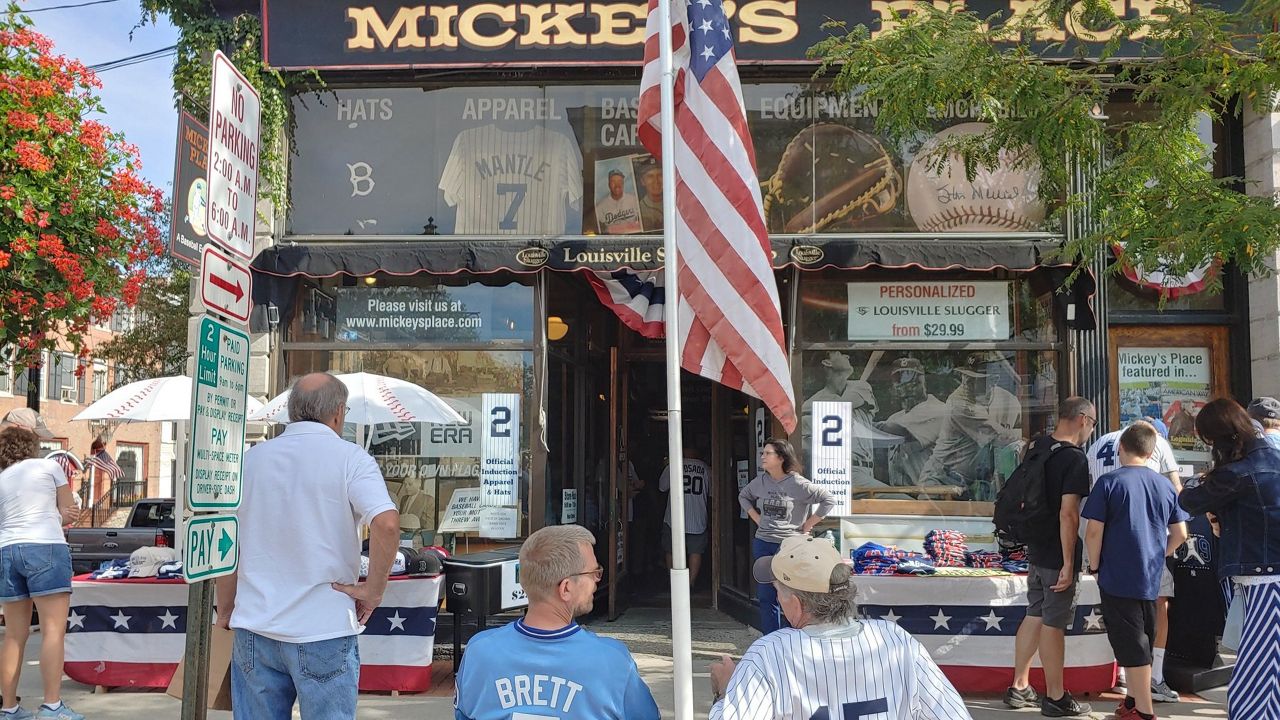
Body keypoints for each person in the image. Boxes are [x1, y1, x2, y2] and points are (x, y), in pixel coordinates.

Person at [215, 373, 400, 720]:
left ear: (291, 412)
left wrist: (225, 608)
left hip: (256, 625)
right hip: (323, 624)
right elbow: (386, 524)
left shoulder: (249, 462)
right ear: (339, 413)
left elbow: (229, 543)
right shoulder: (351, 459)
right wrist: (374, 591)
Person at [707, 535, 969, 719]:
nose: (777, 598)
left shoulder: (768, 653)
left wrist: (726, 692)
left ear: (796, 604)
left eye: (779, 591)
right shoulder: (895, 639)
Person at [453, 525, 660, 719]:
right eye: (593, 573)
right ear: (566, 588)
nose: (597, 579)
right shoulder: (612, 661)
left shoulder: (479, 652)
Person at [1179, 398, 1280, 718]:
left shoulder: (1237, 473)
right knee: (1265, 663)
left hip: (1262, 573)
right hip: (1265, 569)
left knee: (1256, 667)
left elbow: (1189, 498)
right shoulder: (1271, 459)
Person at [1082, 422, 1190, 720]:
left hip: (1116, 574)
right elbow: (1180, 533)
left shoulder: (1109, 483)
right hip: (1152, 574)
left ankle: (1143, 711)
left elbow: (1093, 532)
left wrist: (1094, 566)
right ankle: (1132, 701)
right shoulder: (1165, 485)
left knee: (1130, 643)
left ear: (1120, 449)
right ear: (1152, 451)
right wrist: (1160, 553)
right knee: (1144, 634)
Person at [1005, 396, 1096, 717]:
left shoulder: (1036, 447)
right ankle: (1056, 696)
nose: (1091, 430)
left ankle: (1019, 686)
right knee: (1053, 624)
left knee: (1036, 612)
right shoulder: (1074, 459)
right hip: (1057, 553)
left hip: (1035, 548)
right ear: (1083, 419)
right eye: (1093, 423)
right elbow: (1069, 514)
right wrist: (1069, 563)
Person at [0, 425, 82, 720]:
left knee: (13, 635)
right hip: (45, 545)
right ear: (32, 446)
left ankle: (9, 707)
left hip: (7, 550)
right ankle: (51, 706)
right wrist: (61, 514)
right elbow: (69, 510)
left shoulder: (2, 478)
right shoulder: (49, 466)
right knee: (52, 631)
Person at [739, 439, 837, 634]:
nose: (763, 457)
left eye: (768, 453)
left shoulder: (798, 483)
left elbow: (829, 500)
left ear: (781, 458)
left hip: (789, 546)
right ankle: (771, 639)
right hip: (764, 542)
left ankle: (794, 636)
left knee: (792, 593)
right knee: (767, 595)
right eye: (763, 453)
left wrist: (808, 524)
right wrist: (757, 518)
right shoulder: (761, 481)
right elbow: (744, 496)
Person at [920, 352, 1021, 500]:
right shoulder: (959, 403)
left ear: (994, 380)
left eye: (975, 379)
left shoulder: (1009, 401)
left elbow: (1016, 440)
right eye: (965, 375)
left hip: (977, 486)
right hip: (941, 479)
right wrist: (1024, 436)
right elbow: (1001, 438)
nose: (967, 382)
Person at [799, 351, 889, 495]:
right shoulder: (811, 403)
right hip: (839, 470)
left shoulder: (861, 387)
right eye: (839, 353)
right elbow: (803, 440)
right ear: (827, 363)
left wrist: (816, 409)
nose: (847, 356)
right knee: (907, 504)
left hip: (867, 471)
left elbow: (842, 404)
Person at [878, 357, 946, 488]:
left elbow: (899, 432)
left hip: (932, 496)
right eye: (899, 380)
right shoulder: (894, 418)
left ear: (922, 382)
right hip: (902, 494)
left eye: (911, 379)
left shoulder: (938, 410)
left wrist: (859, 422)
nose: (905, 385)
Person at [659, 445, 710, 587]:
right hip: (697, 517)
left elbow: (661, 486)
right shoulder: (705, 468)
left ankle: (674, 584)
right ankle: (690, 583)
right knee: (696, 551)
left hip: (673, 517)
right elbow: (713, 492)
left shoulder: (674, 464)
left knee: (671, 549)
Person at [594, 169, 641, 234]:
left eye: (619, 181)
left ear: (623, 183)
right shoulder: (600, 206)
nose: (617, 185)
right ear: (609, 184)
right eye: (613, 182)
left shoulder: (634, 200)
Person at [637, 163, 663, 230]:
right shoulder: (639, 209)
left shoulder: (678, 203)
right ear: (643, 181)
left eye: (660, 175)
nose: (656, 181)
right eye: (650, 176)